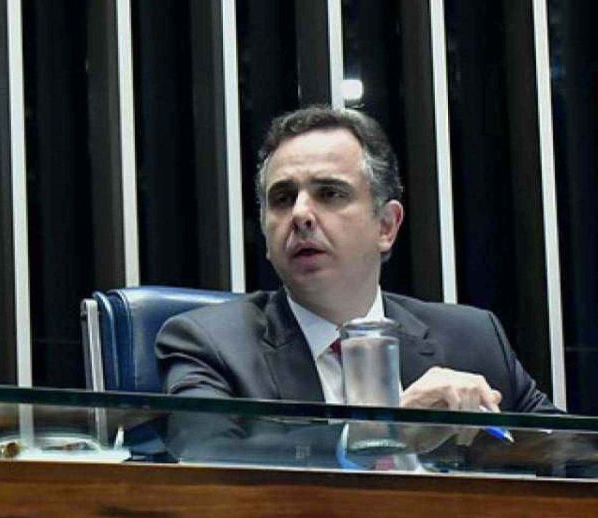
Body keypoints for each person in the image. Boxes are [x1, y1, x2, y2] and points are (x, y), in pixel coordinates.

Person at [156, 105, 557, 414]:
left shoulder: (472, 339)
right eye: (282, 198)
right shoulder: (210, 345)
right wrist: (390, 433)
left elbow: (573, 462)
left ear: (385, 225)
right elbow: (211, 468)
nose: (299, 215)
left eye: (329, 193)